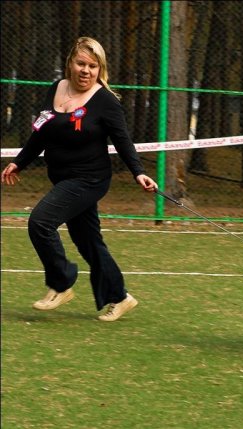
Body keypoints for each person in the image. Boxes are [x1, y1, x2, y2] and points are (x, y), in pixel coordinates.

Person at [1, 37, 157, 321]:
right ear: (70, 63)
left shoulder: (105, 101)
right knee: (88, 241)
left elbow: (123, 140)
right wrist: (19, 162)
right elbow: (41, 133)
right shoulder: (56, 88)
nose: (86, 70)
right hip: (62, 178)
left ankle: (61, 283)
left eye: (93, 66)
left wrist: (139, 172)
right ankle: (120, 296)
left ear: (100, 69)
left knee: (40, 222)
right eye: (81, 63)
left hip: (89, 180)